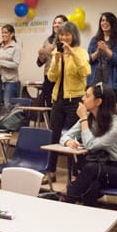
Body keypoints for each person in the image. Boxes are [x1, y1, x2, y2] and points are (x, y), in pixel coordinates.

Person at [60, 83, 117, 232]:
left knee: (89, 169)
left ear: (98, 101)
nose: (83, 99)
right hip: (97, 170)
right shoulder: (89, 117)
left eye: (87, 96)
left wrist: (83, 120)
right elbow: (65, 135)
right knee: (91, 188)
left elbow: (91, 145)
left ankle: (65, 204)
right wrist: (69, 142)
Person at [47, 21, 91, 178]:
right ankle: (50, 170)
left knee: (73, 137)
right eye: (62, 34)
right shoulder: (55, 53)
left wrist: (72, 53)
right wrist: (57, 60)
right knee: (54, 135)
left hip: (75, 99)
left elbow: (86, 72)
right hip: (58, 99)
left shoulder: (81, 52)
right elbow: (51, 77)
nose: (64, 37)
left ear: (74, 36)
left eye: (67, 34)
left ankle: (74, 172)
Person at [87, 12, 117, 91]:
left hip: (110, 82)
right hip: (93, 80)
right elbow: (88, 59)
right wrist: (97, 52)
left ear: (113, 23)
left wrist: (106, 49)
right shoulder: (94, 40)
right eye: (102, 20)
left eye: (107, 20)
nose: (104, 23)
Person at [37, 14, 69, 107]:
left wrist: (55, 51)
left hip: (62, 76)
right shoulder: (47, 40)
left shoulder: (68, 40)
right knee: (49, 104)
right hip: (48, 76)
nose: (56, 25)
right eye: (54, 23)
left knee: (60, 104)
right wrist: (41, 54)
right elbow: (40, 63)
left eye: (59, 23)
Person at [0, 24, 21, 115]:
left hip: (10, 80)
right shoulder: (0, 46)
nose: (3, 35)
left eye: (6, 32)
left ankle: (9, 127)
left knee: (8, 105)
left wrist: (0, 62)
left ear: (12, 34)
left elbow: (15, 65)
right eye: (2, 33)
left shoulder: (16, 48)